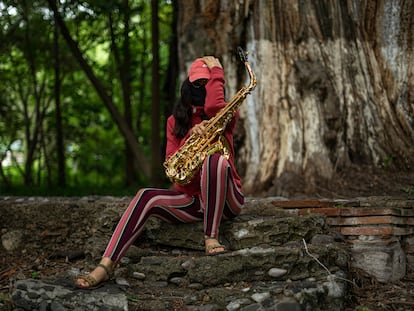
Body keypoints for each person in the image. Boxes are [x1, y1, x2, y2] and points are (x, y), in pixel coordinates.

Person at [75, 56, 244, 289]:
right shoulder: (175, 122)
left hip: (227, 200)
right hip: (194, 201)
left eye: (208, 83)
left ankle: (211, 236)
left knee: (215, 161)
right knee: (146, 195)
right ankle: (106, 265)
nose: (202, 88)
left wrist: (217, 70)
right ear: (187, 85)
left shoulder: (224, 114)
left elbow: (214, 106)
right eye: (197, 83)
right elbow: (172, 168)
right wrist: (190, 139)